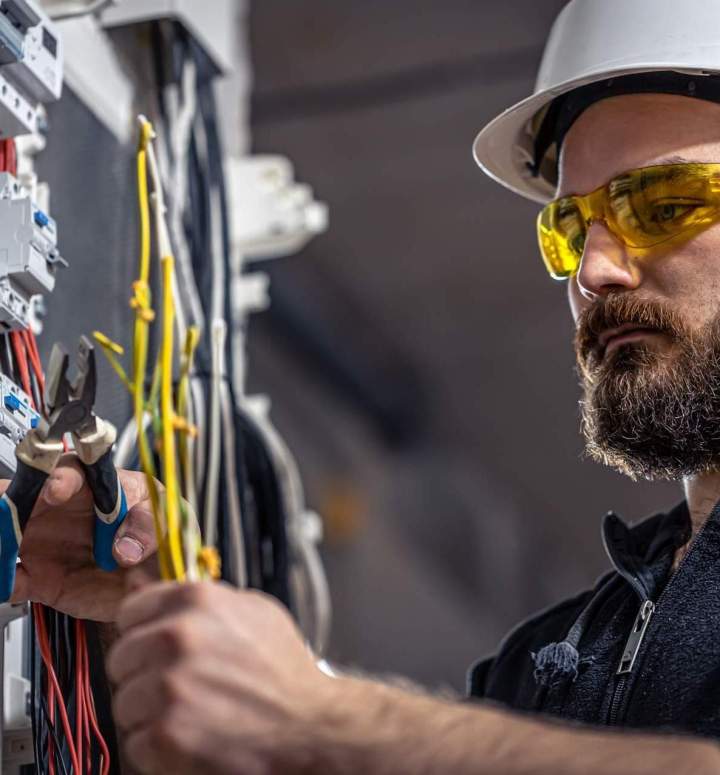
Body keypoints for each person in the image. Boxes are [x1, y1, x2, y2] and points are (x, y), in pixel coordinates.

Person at [16, 0, 720, 771]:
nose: (594, 271)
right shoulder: (555, 657)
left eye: (662, 204)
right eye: (570, 228)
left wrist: (325, 718)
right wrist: (156, 627)